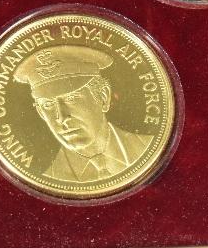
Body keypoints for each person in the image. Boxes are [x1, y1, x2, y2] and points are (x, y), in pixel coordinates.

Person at [15, 45, 151, 183]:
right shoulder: (48, 177)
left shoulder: (146, 147)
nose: (62, 118)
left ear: (103, 97)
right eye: (48, 105)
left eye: (71, 98)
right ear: (41, 113)